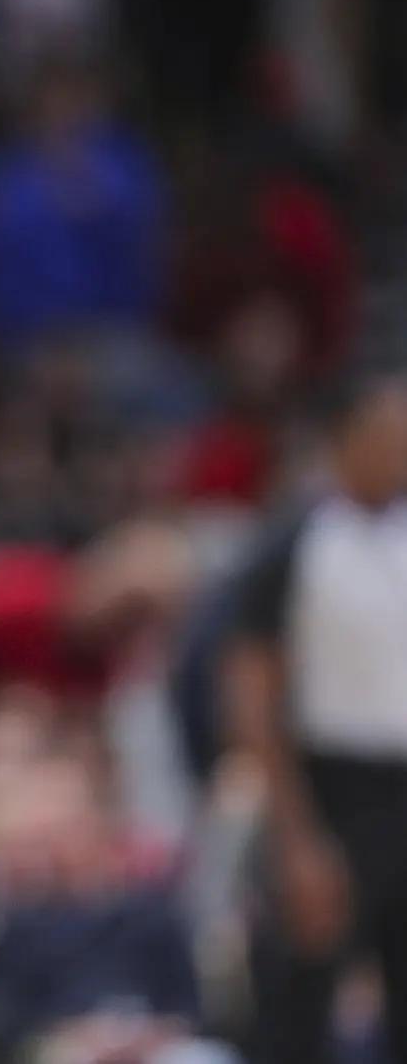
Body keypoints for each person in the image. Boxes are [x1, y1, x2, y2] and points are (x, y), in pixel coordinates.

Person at [225, 372, 407, 1063]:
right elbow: (252, 691)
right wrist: (296, 837)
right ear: (343, 440)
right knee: (303, 993)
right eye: (388, 434)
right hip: (334, 790)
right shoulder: (294, 543)